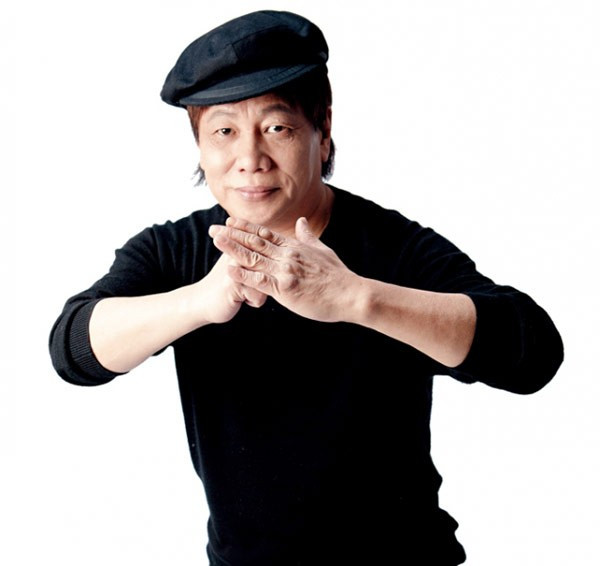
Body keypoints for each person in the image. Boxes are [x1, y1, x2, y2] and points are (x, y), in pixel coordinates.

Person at [49, 10, 563, 566]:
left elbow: (533, 353)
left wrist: (355, 298)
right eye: (224, 131)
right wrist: (199, 301)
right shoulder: (173, 250)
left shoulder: (392, 245)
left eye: (278, 128)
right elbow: (73, 349)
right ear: (199, 146)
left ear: (322, 130)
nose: (250, 160)